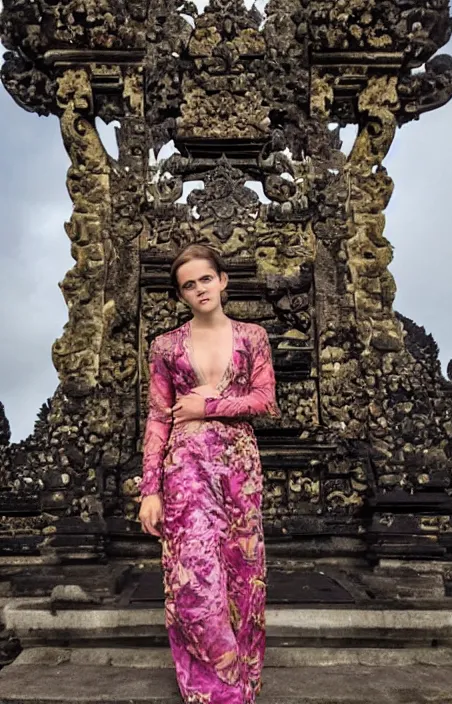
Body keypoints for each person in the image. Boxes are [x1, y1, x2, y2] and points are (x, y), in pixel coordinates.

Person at [138, 243, 279, 704]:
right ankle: (217, 694)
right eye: (188, 285)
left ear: (222, 280)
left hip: (238, 468)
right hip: (186, 468)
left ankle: (242, 679)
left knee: (241, 576)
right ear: (181, 295)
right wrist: (149, 491)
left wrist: (209, 405)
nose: (199, 289)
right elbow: (158, 418)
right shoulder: (165, 346)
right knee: (194, 580)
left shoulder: (253, 337)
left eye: (204, 279)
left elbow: (265, 400)